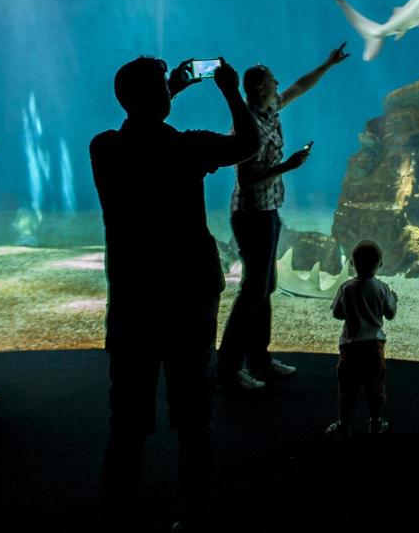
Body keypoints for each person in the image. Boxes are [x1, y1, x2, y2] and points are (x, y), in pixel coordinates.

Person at [89, 55, 260, 532]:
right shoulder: (189, 148)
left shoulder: (104, 148)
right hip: (188, 296)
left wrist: (165, 92)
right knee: (193, 418)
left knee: (126, 419)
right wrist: (228, 89)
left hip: (132, 298)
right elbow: (250, 143)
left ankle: (116, 517)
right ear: (162, 97)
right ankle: (196, 518)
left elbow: (140, 122)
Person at [218, 43, 349, 391]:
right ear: (261, 88)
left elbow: (300, 87)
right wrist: (286, 166)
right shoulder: (247, 124)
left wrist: (327, 64)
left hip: (269, 209)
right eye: (272, 81)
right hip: (251, 213)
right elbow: (245, 176)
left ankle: (259, 360)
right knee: (252, 290)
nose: (278, 84)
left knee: (266, 287)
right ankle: (228, 368)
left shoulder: (271, 108)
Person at [326, 239, 397, 437]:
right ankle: (375, 422)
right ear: (380, 264)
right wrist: (394, 301)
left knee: (347, 386)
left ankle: (343, 424)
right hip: (374, 346)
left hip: (350, 346)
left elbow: (337, 314)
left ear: (351, 263)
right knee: (375, 385)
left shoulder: (346, 288)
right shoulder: (383, 288)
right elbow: (390, 314)